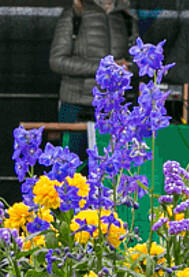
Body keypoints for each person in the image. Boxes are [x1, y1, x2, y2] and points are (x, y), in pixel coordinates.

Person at [48, 0, 139, 167]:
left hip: (113, 109)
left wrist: (128, 67)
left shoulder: (126, 17)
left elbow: (138, 62)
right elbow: (57, 61)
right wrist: (103, 67)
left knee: (112, 176)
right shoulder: (75, 13)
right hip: (76, 105)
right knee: (69, 174)